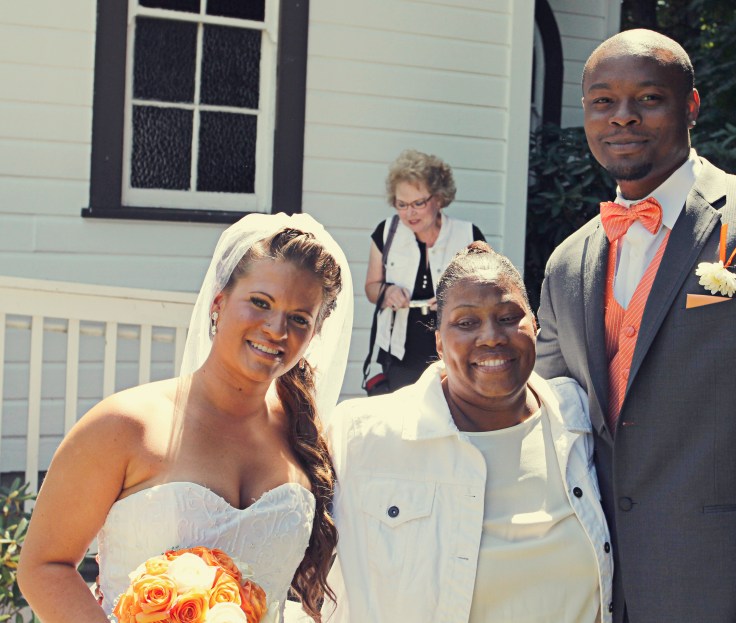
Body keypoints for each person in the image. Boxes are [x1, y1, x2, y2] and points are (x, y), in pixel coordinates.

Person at [535, 29, 736, 622]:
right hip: (595, 595)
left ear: (690, 106)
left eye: (648, 98)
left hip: (726, 593)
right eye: (603, 101)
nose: (622, 116)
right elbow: (548, 429)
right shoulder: (566, 264)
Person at [17, 213, 354, 623]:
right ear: (218, 304)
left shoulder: (306, 438)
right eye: (260, 303)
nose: (276, 329)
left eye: (299, 319)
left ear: (315, 334)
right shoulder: (125, 426)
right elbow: (44, 567)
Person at [327, 242, 614, 622]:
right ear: (439, 343)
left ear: (535, 326)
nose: (492, 336)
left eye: (508, 317)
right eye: (466, 323)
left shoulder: (578, 418)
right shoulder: (362, 435)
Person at [364, 149, 486, 391]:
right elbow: (371, 288)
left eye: (418, 203)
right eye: (401, 204)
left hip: (455, 353)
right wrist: (387, 292)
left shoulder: (468, 235)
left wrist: (455, 303)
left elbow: (487, 294)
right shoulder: (386, 232)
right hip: (399, 354)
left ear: (438, 199)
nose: (409, 213)